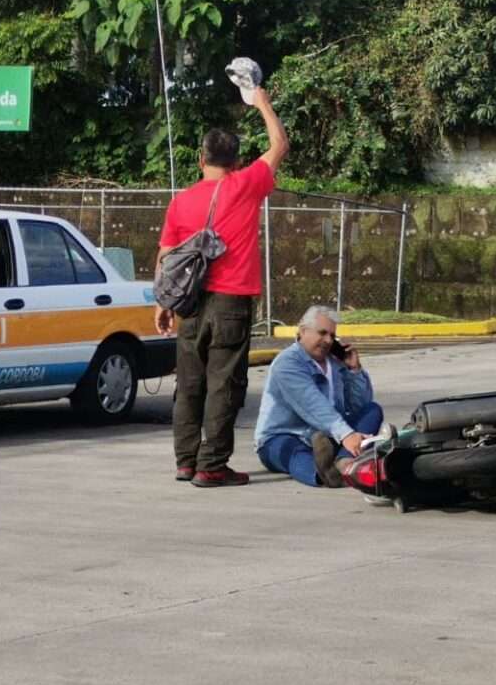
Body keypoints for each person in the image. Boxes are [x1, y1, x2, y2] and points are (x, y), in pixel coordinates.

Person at [155, 86, 289, 488]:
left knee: (190, 381)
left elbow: (165, 253)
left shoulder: (181, 201)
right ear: (235, 161)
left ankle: (185, 460)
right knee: (224, 384)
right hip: (232, 301)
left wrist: (160, 302)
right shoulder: (245, 184)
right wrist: (262, 102)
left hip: (189, 303)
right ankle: (212, 465)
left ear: (201, 159)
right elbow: (280, 143)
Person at [255, 306, 384, 488]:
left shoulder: (334, 362)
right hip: (284, 436)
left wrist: (354, 370)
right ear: (302, 331)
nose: (328, 340)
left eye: (332, 335)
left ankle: (344, 463)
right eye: (322, 333)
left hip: (329, 435)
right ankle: (323, 474)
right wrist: (347, 435)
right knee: (296, 454)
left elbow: (358, 406)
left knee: (372, 410)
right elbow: (311, 404)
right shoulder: (287, 363)